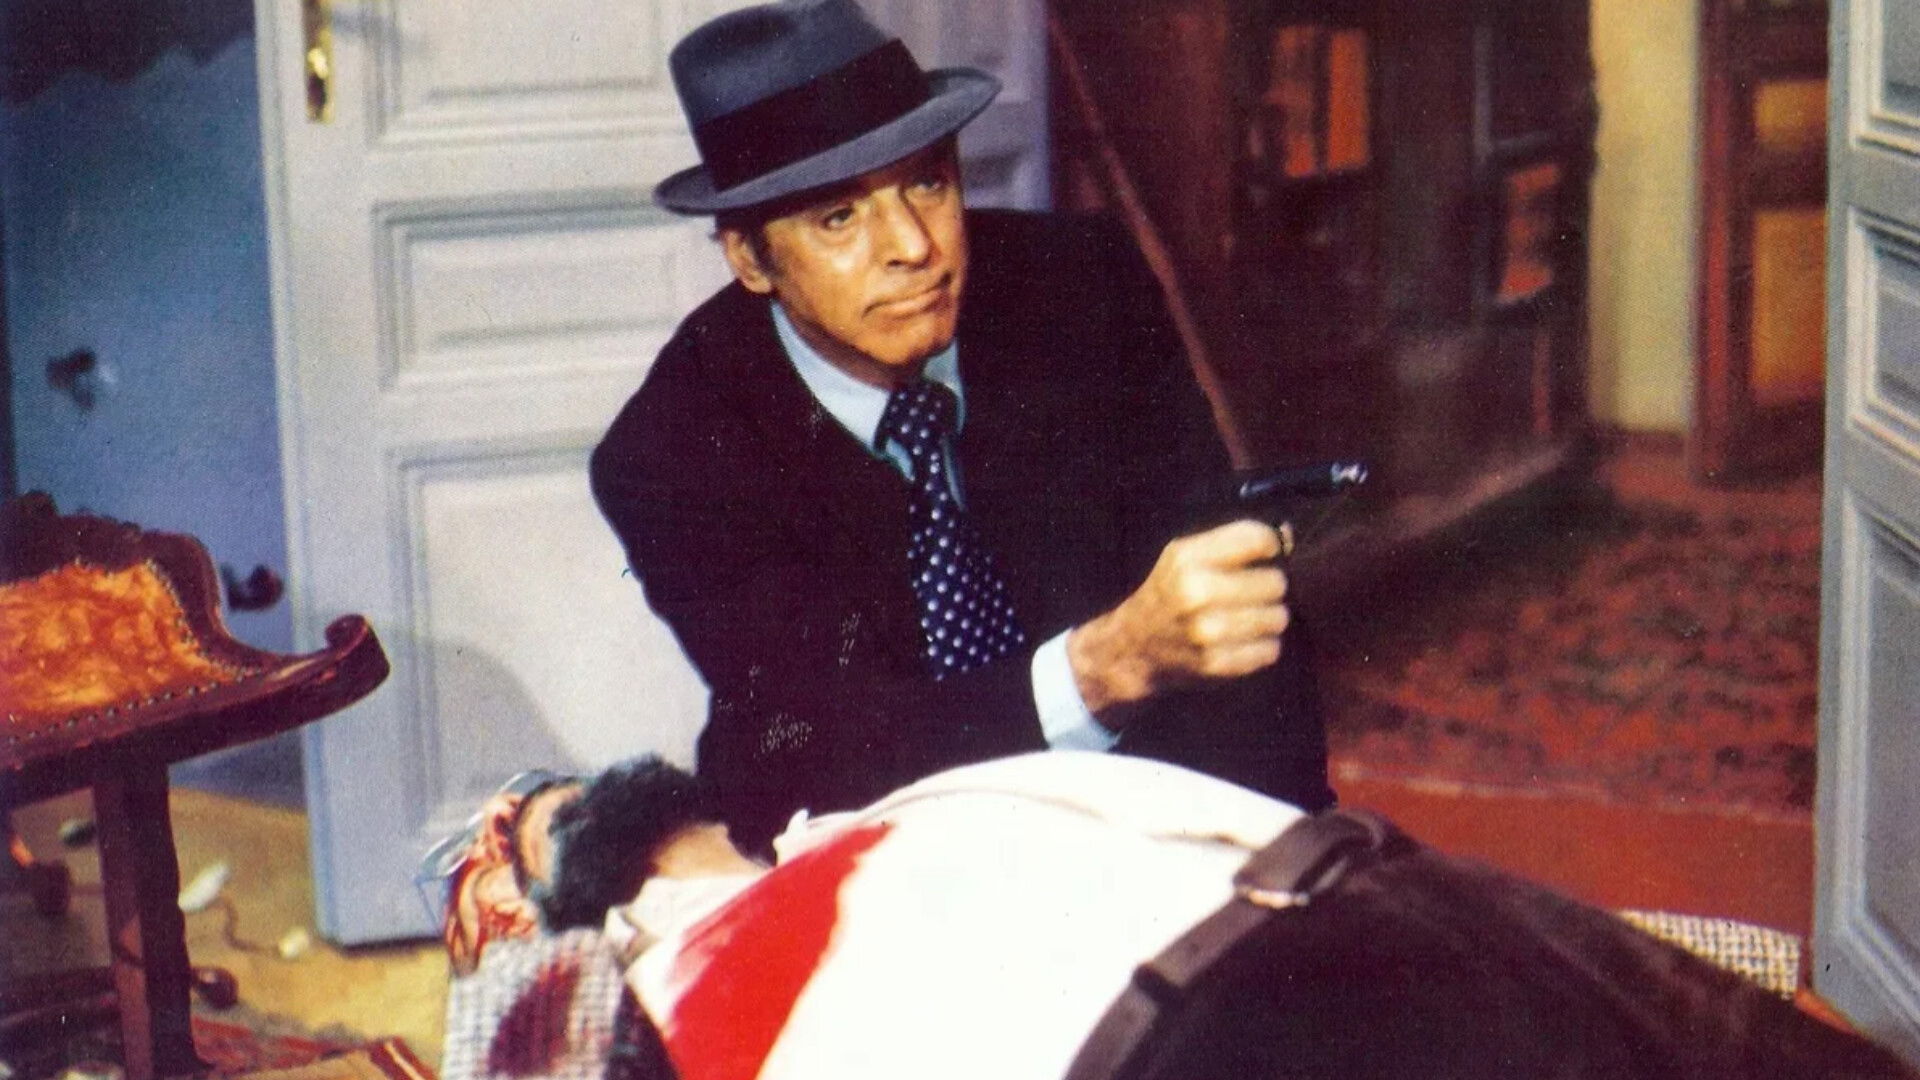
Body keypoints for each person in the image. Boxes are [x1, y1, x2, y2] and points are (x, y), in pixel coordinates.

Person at [590, 0, 1330, 853]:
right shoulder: (673, 452)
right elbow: (829, 742)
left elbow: (1228, 612)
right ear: (752, 259)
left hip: (1137, 817)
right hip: (860, 840)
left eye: (928, 182)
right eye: (838, 216)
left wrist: (1279, 857)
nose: (914, 246)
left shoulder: (1084, 286)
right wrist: (1100, 670)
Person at [493, 751, 1915, 1080]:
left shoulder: (882, 812)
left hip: (1363, 910)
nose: (526, 817)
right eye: (516, 837)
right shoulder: (647, 989)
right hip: (1225, 1014)